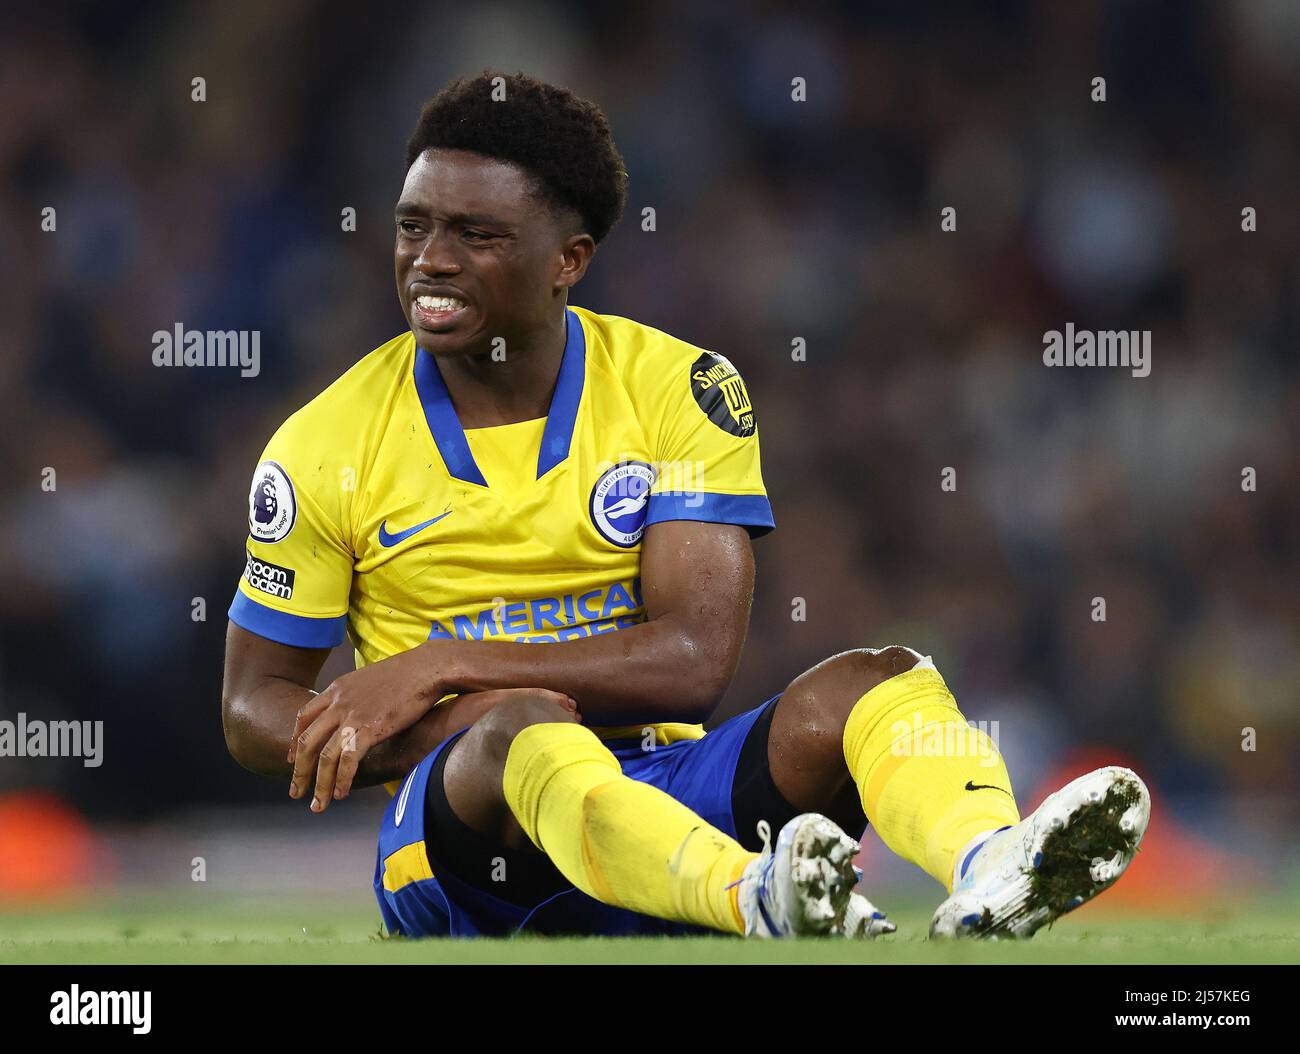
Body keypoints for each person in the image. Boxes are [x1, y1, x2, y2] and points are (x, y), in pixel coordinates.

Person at [221, 71, 1149, 939]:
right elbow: (252, 706)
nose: (431, 260)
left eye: (476, 234)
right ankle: (756, 897)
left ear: (569, 259)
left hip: (664, 789)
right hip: (468, 845)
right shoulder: (323, 443)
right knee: (520, 731)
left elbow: (695, 661)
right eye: (412, 226)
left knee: (882, 678)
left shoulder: (678, 389)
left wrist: (444, 661)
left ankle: (992, 864)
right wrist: (420, 730)